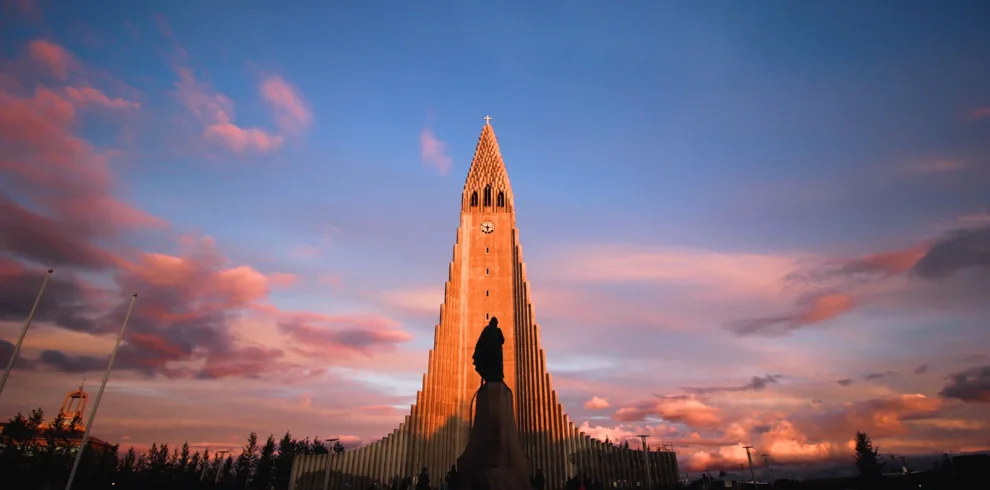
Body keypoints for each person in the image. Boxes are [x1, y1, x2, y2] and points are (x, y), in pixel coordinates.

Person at [472, 317, 504, 383]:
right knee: (493, 367)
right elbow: (502, 340)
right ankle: (494, 376)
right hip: (493, 354)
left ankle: (492, 376)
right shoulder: (496, 330)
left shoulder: (488, 329)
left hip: (490, 354)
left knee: (491, 367)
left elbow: (481, 341)